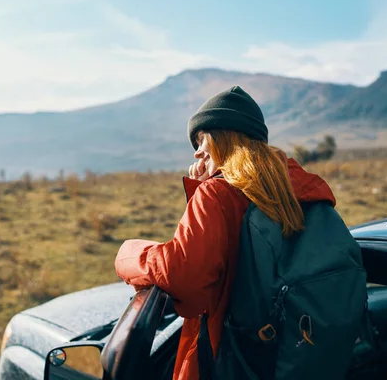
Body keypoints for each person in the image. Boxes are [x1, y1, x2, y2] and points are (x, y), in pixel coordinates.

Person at [114, 86, 337, 380]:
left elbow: (184, 278)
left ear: (222, 140)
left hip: (233, 356)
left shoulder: (217, 195)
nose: (196, 151)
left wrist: (126, 253)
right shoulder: (302, 190)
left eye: (201, 139)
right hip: (298, 351)